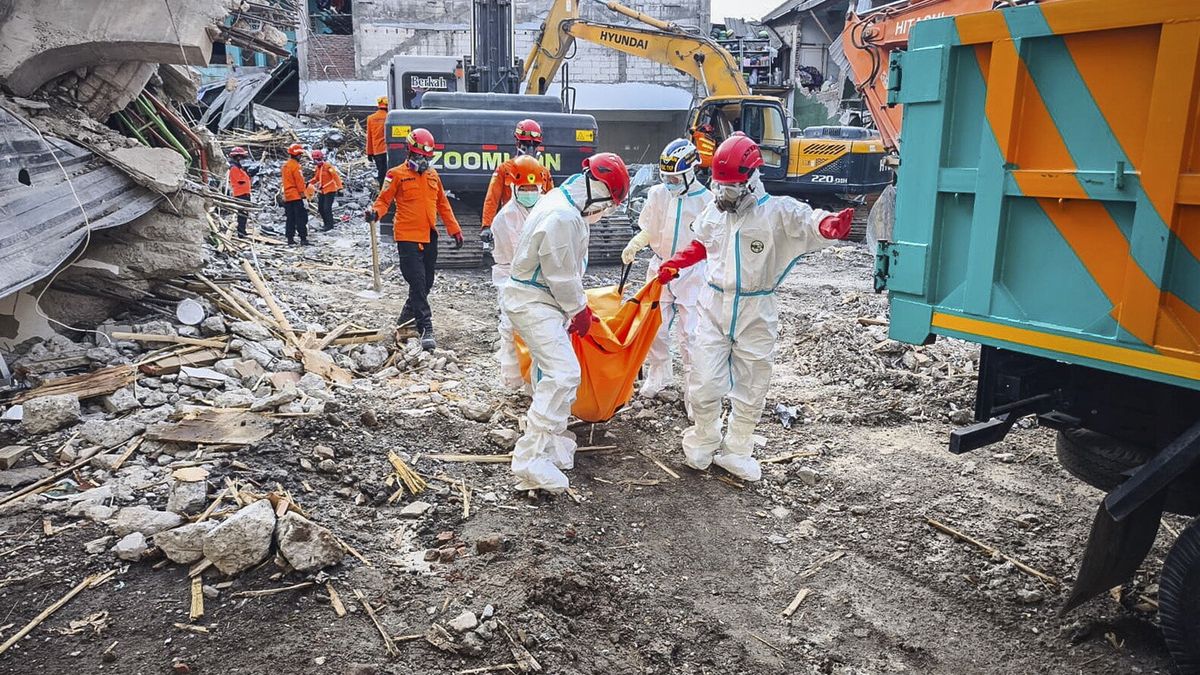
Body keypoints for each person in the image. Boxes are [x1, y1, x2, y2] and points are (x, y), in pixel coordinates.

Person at [656, 133, 854, 482]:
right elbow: (703, 243)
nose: (723, 195)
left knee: (752, 384)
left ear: (750, 181)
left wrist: (829, 225)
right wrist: (677, 262)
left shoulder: (776, 213)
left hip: (755, 307)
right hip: (713, 304)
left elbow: (807, 221)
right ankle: (703, 441)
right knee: (703, 381)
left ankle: (737, 450)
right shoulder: (716, 211)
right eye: (720, 187)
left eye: (731, 188)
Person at [503, 152, 630, 493]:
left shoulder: (563, 203)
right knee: (563, 373)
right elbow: (560, 274)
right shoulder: (562, 216)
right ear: (598, 191)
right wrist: (579, 310)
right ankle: (529, 458)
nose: (604, 214)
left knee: (555, 372)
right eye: (608, 205)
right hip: (533, 301)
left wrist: (572, 309)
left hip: (542, 300)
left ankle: (551, 441)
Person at [621, 139, 713, 401]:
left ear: (690, 171)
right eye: (666, 177)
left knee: (692, 333)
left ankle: (693, 391)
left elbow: (709, 241)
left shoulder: (707, 201)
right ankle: (659, 373)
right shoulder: (658, 194)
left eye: (675, 178)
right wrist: (637, 243)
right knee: (653, 327)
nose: (669, 182)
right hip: (660, 266)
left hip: (692, 272)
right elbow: (651, 226)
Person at [365, 128, 463, 351]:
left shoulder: (432, 175)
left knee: (426, 282)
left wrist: (454, 229)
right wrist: (375, 213)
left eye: (428, 158)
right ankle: (425, 327)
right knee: (417, 282)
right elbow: (383, 201)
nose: (424, 161)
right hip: (407, 237)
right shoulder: (395, 175)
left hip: (429, 235)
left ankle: (405, 319)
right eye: (420, 157)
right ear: (410, 153)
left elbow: (442, 204)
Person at [491, 154, 546, 390]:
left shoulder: (549, 209)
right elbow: (506, 261)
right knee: (511, 329)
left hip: (543, 281)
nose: (529, 192)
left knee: (542, 335)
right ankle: (513, 378)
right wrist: (509, 292)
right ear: (513, 186)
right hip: (513, 281)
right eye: (524, 188)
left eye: (534, 188)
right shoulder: (504, 219)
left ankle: (535, 384)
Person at [480, 119, 554, 235]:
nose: (530, 149)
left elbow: (552, 201)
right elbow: (492, 199)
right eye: (526, 144)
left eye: (533, 145)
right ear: (518, 143)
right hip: (510, 226)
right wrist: (487, 226)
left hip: (536, 225)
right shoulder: (505, 169)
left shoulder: (543, 172)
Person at [307, 149, 343, 232]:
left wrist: (340, 188)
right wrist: (309, 182)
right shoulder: (318, 168)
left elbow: (336, 177)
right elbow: (316, 178)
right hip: (322, 190)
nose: (317, 161)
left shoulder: (328, 166)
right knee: (320, 208)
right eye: (316, 160)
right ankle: (326, 223)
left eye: (319, 159)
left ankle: (329, 225)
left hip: (330, 190)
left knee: (327, 208)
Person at [281, 143, 309, 246]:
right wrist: (303, 197)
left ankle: (290, 239)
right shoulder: (296, 167)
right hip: (296, 195)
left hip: (288, 196)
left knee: (290, 218)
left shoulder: (285, 165)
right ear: (298, 155)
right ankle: (303, 238)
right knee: (300, 218)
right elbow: (299, 182)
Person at [226, 146, 253, 238]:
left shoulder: (238, 167)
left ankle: (242, 231)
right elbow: (240, 180)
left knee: (244, 214)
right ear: (238, 157)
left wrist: (249, 174)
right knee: (242, 214)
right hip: (241, 194)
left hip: (243, 193)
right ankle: (241, 233)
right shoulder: (234, 168)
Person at [366, 96, 389, 185]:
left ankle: (381, 190)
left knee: (381, 172)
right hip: (388, 150)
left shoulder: (371, 118)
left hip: (377, 151)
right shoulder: (390, 117)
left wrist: (369, 153)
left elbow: (369, 137)